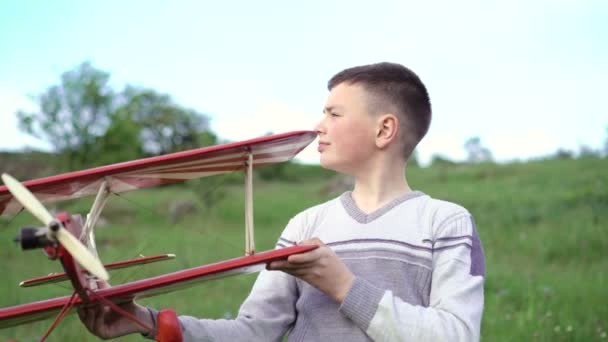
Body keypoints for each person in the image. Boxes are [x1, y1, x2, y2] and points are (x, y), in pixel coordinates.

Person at [79, 62, 485, 341]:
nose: (318, 126)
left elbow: (457, 334)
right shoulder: (305, 225)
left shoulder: (445, 223)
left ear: (384, 130)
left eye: (334, 114)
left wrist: (343, 285)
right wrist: (148, 322)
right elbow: (254, 332)